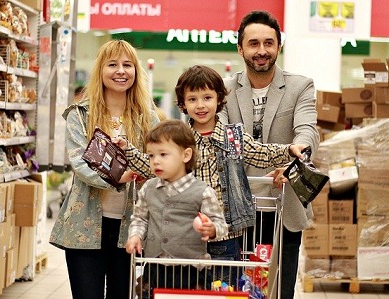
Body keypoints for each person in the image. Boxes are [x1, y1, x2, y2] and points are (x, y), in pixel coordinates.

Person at [115, 65, 308, 289]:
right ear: (183, 104)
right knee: (184, 290)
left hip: (226, 237)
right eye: (192, 99)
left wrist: (288, 150)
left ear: (219, 99)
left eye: (207, 97)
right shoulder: (179, 139)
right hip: (185, 238)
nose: (200, 105)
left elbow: (259, 152)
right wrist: (128, 150)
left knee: (222, 290)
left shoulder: (232, 136)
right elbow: (153, 166)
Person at [218, 11, 320, 299]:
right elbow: (224, 140)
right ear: (240, 48)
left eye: (268, 43)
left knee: (280, 289)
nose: (261, 51)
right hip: (235, 210)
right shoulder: (223, 90)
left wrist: (292, 163)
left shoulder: (300, 86)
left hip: (283, 203)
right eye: (253, 44)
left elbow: (307, 131)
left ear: (279, 45)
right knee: (235, 291)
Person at [49, 39, 160, 299]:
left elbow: (159, 161)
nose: (120, 71)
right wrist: (121, 177)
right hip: (84, 225)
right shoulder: (80, 115)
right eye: (112, 64)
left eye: (127, 65)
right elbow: (79, 163)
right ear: (100, 70)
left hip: (131, 227)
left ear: (136, 71)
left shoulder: (147, 117)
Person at [125, 119, 229, 296]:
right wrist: (135, 235)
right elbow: (140, 218)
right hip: (155, 266)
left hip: (191, 270)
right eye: (151, 155)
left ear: (186, 155)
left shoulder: (203, 192)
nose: (155, 161)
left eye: (163, 154)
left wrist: (212, 229)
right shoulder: (148, 188)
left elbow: (222, 226)